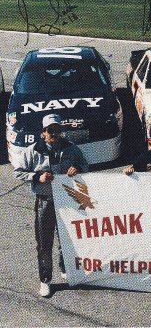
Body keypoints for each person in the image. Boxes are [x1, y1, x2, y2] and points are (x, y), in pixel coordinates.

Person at [13, 114, 88, 297]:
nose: (53, 133)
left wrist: (76, 168)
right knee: (44, 243)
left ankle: (66, 268)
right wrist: (37, 176)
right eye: (50, 130)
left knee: (68, 239)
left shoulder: (71, 148)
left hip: (67, 201)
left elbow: (85, 165)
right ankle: (45, 280)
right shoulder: (33, 150)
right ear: (43, 132)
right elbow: (18, 172)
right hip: (45, 201)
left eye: (57, 130)